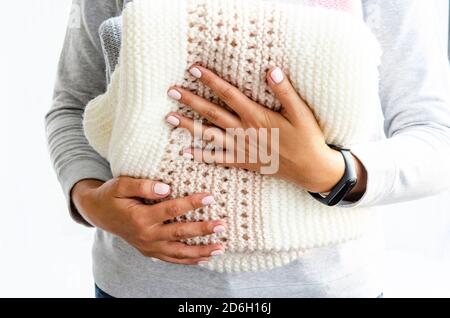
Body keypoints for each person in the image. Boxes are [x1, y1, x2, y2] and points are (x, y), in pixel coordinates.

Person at [45, 0, 450, 298]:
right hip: (141, 285)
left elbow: (435, 135)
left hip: (324, 289)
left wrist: (329, 172)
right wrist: (89, 200)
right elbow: (73, 104)